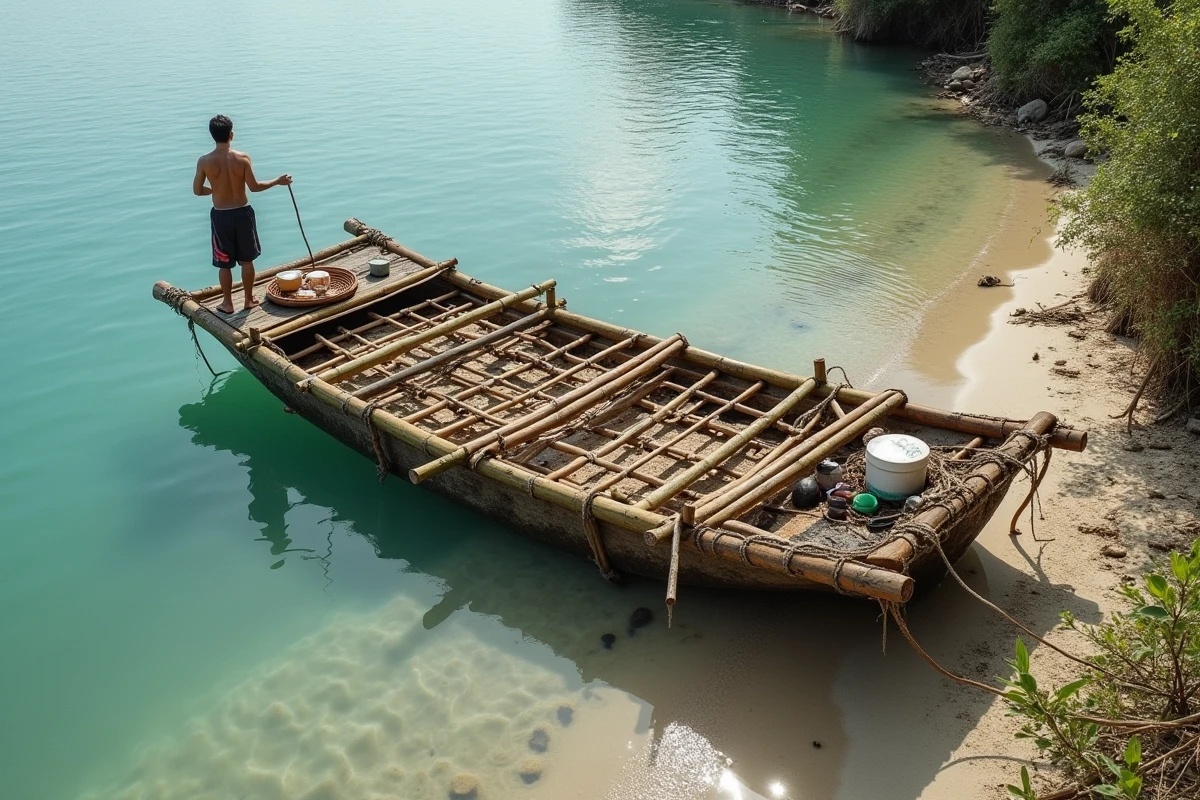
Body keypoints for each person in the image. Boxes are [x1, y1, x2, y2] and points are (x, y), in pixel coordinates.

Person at [193, 115, 292, 313]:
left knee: (224, 264)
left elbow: (197, 190)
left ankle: (227, 303)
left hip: (221, 215)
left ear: (212, 136)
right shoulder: (242, 158)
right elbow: (254, 188)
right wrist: (277, 181)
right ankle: (248, 300)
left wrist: (214, 189)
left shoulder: (204, 161)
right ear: (231, 134)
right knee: (247, 261)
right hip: (243, 213)